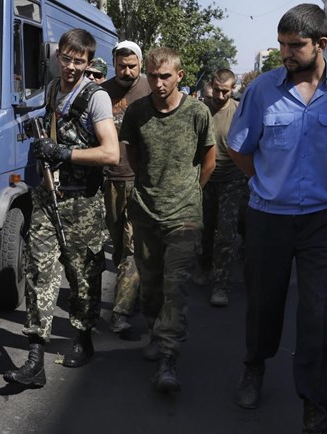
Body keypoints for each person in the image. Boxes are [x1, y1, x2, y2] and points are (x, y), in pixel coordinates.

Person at [226, 5, 327, 433]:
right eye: (281, 45)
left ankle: (315, 402)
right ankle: (254, 367)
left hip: (323, 222)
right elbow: (239, 148)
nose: (285, 54)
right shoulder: (260, 91)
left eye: (295, 46)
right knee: (263, 305)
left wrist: (322, 181)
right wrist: (272, 181)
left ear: (321, 44)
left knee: (317, 315)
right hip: (268, 218)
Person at [3, 28, 119, 387]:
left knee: (83, 276)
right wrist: (44, 148)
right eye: (66, 58)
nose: (70, 66)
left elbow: (111, 154)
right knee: (39, 273)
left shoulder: (95, 97)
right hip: (48, 197)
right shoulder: (54, 90)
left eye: (78, 61)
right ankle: (34, 358)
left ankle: (83, 338)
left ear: (89, 62)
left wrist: (65, 153)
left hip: (83, 203)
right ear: (58, 56)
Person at [122, 47, 215, 392]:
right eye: (153, 76)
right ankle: (155, 332)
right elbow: (132, 154)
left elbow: (208, 159)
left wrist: (190, 192)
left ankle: (168, 359)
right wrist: (149, 186)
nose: (159, 83)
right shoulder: (136, 112)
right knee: (150, 287)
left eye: (165, 76)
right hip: (146, 211)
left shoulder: (197, 112)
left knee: (175, 289)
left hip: (185, 216)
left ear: (180, 76)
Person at [101, 40, 151, 333]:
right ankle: (134, 290)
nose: (127, 71)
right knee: (118, 244)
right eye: (122, 66)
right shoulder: (102, 92)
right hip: (110, 179)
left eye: (132, 66)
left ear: (140, 64)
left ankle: (119, 313)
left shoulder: (149, 89)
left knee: (133, 245)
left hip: (139, 179)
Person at [200, 68, 247, 307]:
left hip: (232, 180)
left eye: (225, 92)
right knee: (205, 229)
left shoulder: (239, 112)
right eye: (217, 90)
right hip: (205, 180)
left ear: (233, 89)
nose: (220, 96)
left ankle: (220, 284)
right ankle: (204, 266)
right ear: (211, 85)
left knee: (226, 233)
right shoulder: (200, 110)